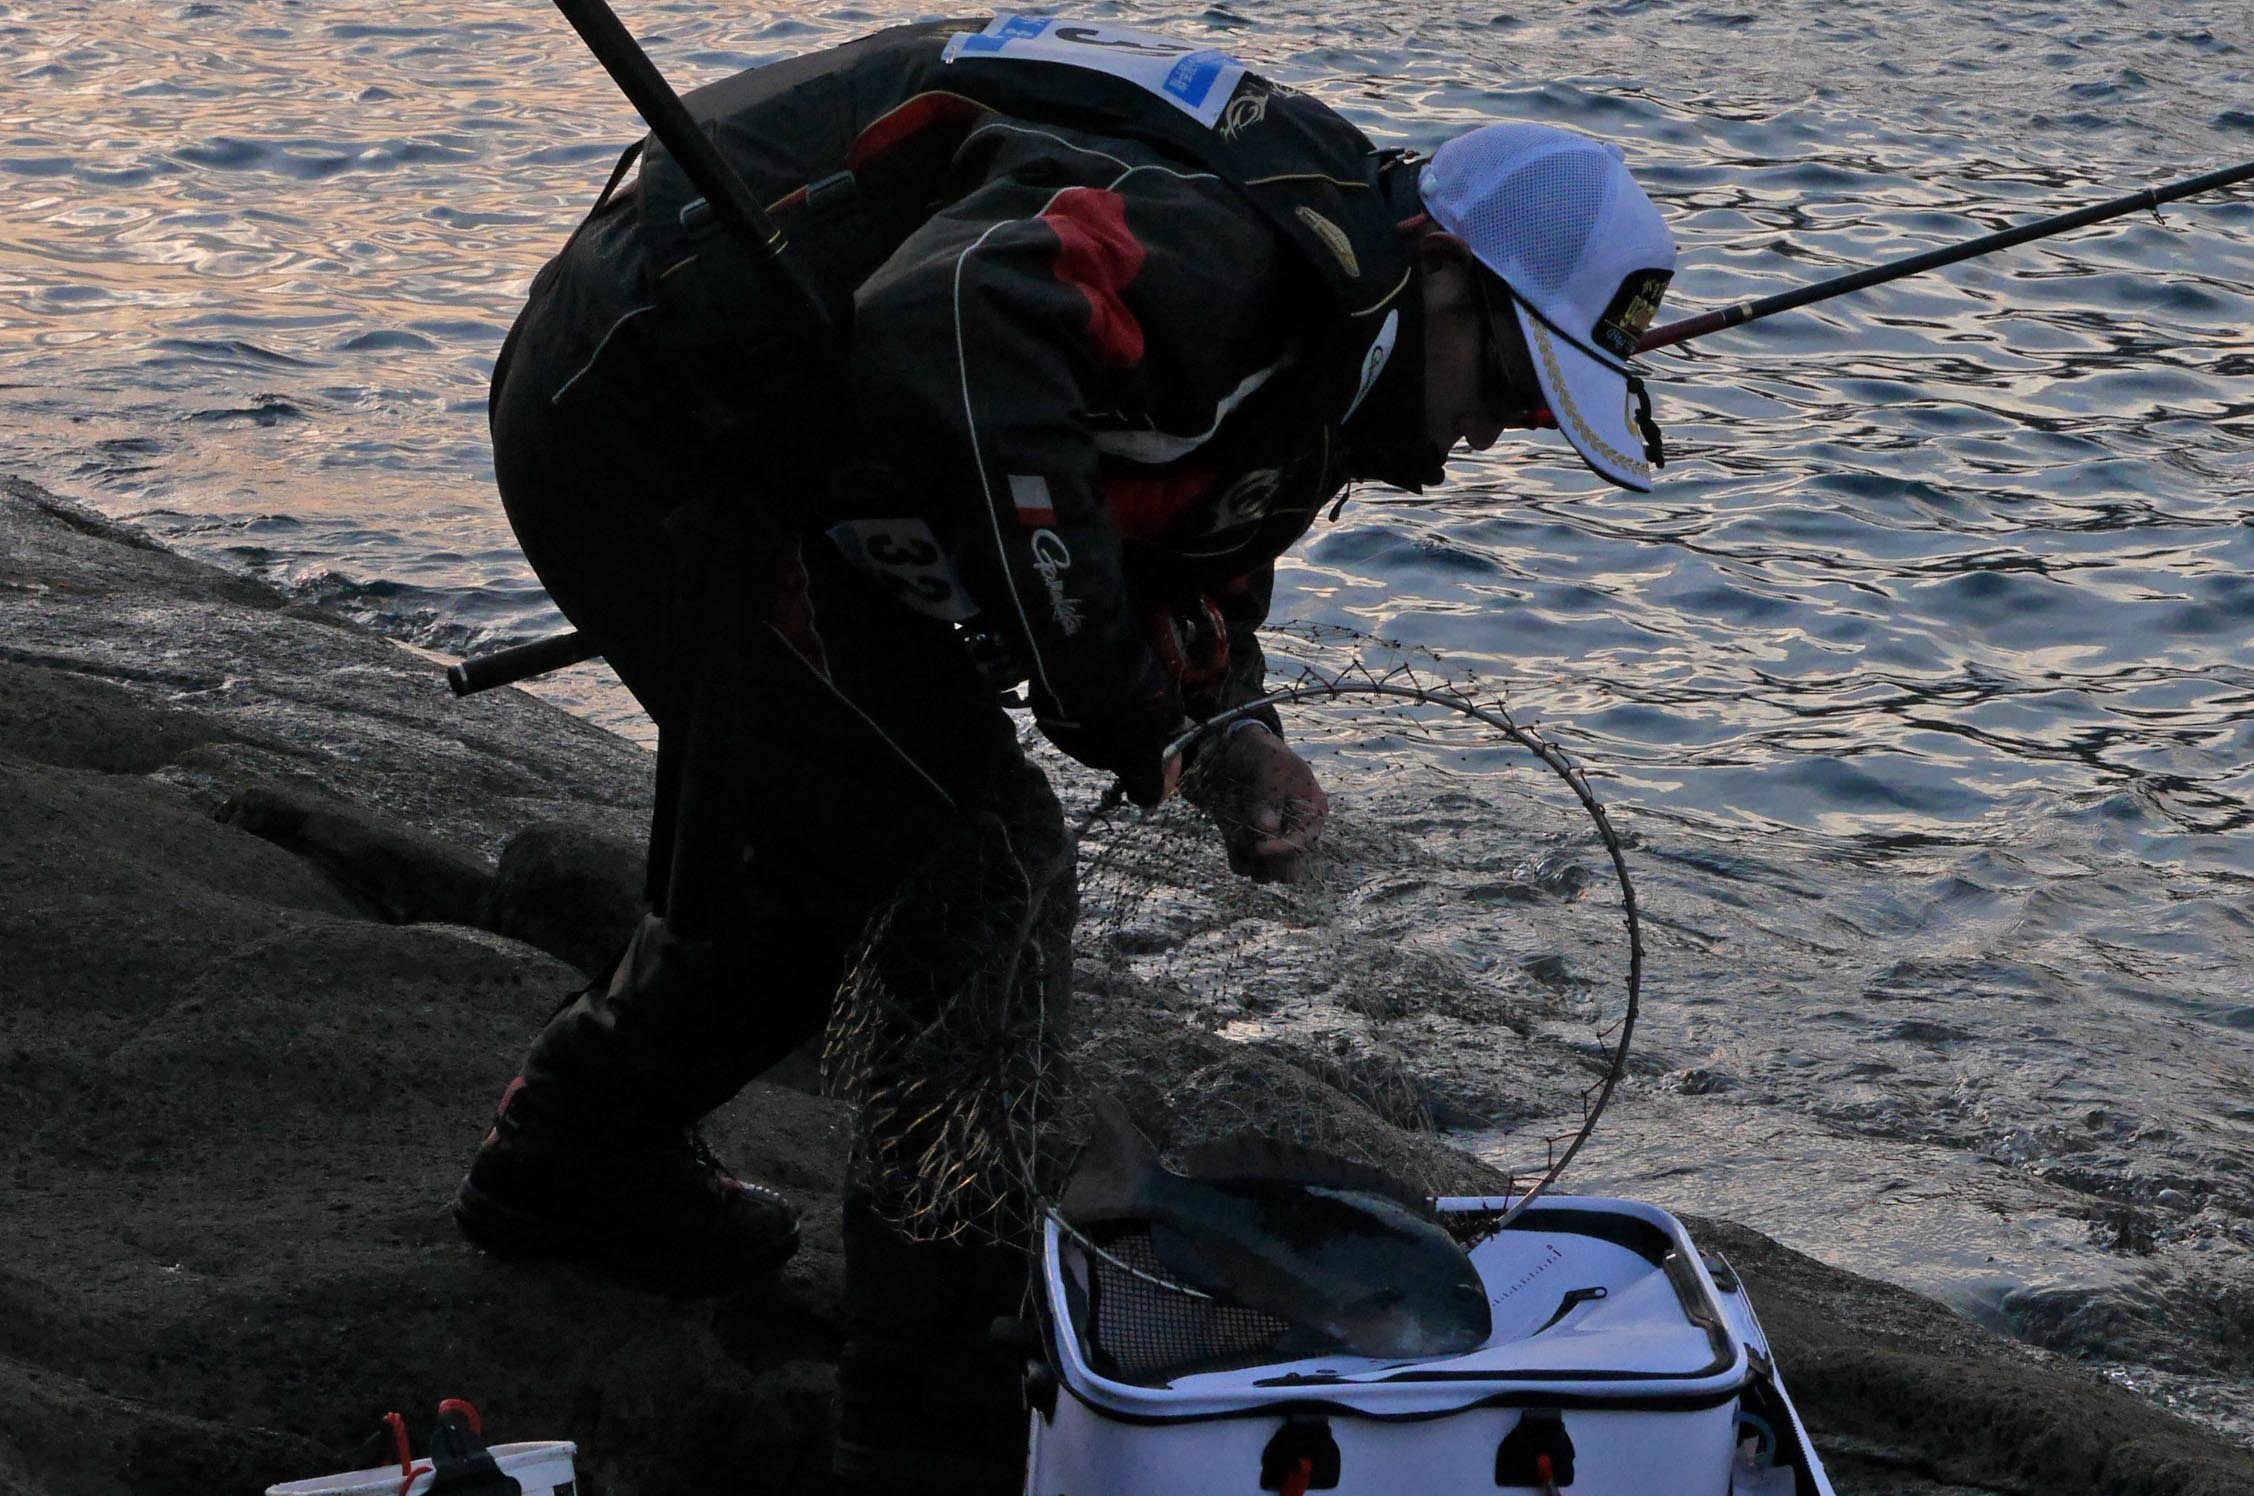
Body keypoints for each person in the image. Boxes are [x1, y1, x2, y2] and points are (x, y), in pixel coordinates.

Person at [449, 15, 1678, 1491]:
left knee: (844, 823)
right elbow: (958, 310)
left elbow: (1173, 502)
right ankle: (927, 1417)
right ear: (1443, 269)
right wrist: (1101, 687)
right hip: (650, 401)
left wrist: (1224, 729)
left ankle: (573, 1163)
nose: (1492, 435)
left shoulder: (1323, 309)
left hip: (764, 430)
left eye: (1538, 415)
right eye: (1514, 385)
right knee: (973, 867)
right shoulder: (1226, 255)